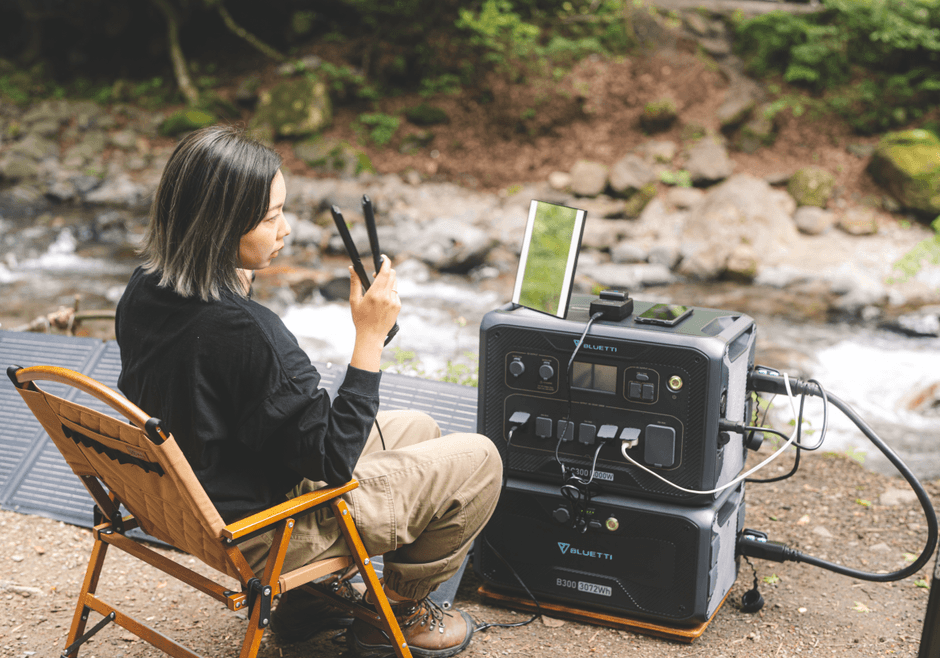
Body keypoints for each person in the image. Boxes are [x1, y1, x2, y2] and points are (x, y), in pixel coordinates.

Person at [115, 125, 502, 657]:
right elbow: (334, 461)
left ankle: (310, 605)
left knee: (421, 429)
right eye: (272, 217)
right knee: (479, 460)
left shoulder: (144, 289)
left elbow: (216, 388)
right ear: (219, 226)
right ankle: (394, 614)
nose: (287, 229)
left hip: (197, 500)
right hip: (263, 530)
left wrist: (239, 282)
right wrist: (368, 337)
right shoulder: (248, 331)